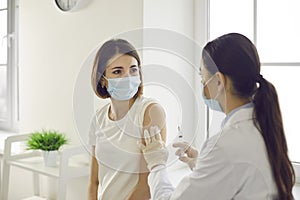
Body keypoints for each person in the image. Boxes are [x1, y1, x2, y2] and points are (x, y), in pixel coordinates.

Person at [139, 33, 295, 200]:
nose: (201, 83)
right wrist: (202, 164)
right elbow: (238, 171)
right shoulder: (262, 124)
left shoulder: (225, 144)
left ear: (219, 81)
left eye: (202, 76)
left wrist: (156, 164)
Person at [88, 39, 166, 200]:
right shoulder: (99, 118)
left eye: (133, 70)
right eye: (117, 71)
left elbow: (145, 187)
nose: (127, 77)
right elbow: (94, 182)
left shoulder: (149, 112)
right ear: (102, 79)